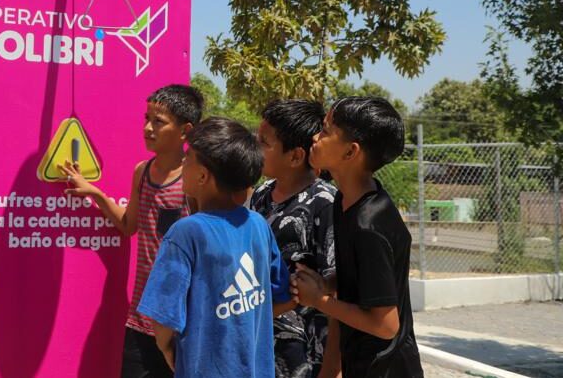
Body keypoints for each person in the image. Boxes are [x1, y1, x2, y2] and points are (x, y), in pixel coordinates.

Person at [60, 84, 203, 378]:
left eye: (158, 122)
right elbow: (128, 225)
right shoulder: (142, 172)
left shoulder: (195, 179)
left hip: (181, 321)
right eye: (146, 119)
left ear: (185, 131)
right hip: (140, 317)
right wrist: (95, 194)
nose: (148, 128)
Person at [138, 117, 291, 377]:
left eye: (188, 158)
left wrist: (167, 348)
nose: (183, 163)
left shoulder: (186, 232)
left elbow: (162, 320)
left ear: (202, 175)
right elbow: (283, 296)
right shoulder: (257, 224)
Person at [292, 96, 424, 377]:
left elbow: (386, 325)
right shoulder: (346, 201)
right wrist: (327, 284)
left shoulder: (369, 224)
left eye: (326, 131)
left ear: (351, 152)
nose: (315, 137)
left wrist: (318, 300)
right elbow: (360, 280)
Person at [250, 99, 338, 378]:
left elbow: (337, 291)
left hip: (306, 357)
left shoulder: (325, 203)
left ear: (296, 156)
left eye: (264, 142)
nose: (255, 147)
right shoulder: (262, 195)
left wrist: (332, 370)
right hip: (262, 346)